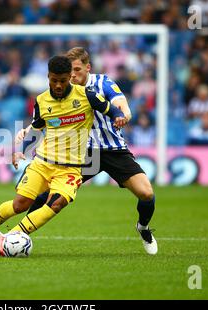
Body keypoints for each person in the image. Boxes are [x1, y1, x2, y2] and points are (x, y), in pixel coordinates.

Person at [0, 55, 124, 256]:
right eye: (54, 80)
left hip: (70, 168)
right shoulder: (42, 101)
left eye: (62, 80)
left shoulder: (86, 95)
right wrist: (21, 151)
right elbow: (36, 128)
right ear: (48, 76)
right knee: (20, 204)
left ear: (70, 76)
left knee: (57, 203)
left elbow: (111, 109)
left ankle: (11, 237)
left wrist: (119, 116)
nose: (58, 85)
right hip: (43, 163)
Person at [14, 47, 157, 255]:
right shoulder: (64, 88)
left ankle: (143, 227)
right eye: (70, 71)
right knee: (46, 194)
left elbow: (120, 103)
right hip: (82, 153)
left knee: (146, 193)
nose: (72, 75)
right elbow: (47, 116)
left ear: (88, 68)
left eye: (77, 70)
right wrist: (27, 131)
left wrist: (124, 115)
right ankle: (18, 235)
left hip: (113, 149)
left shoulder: (102, 83)